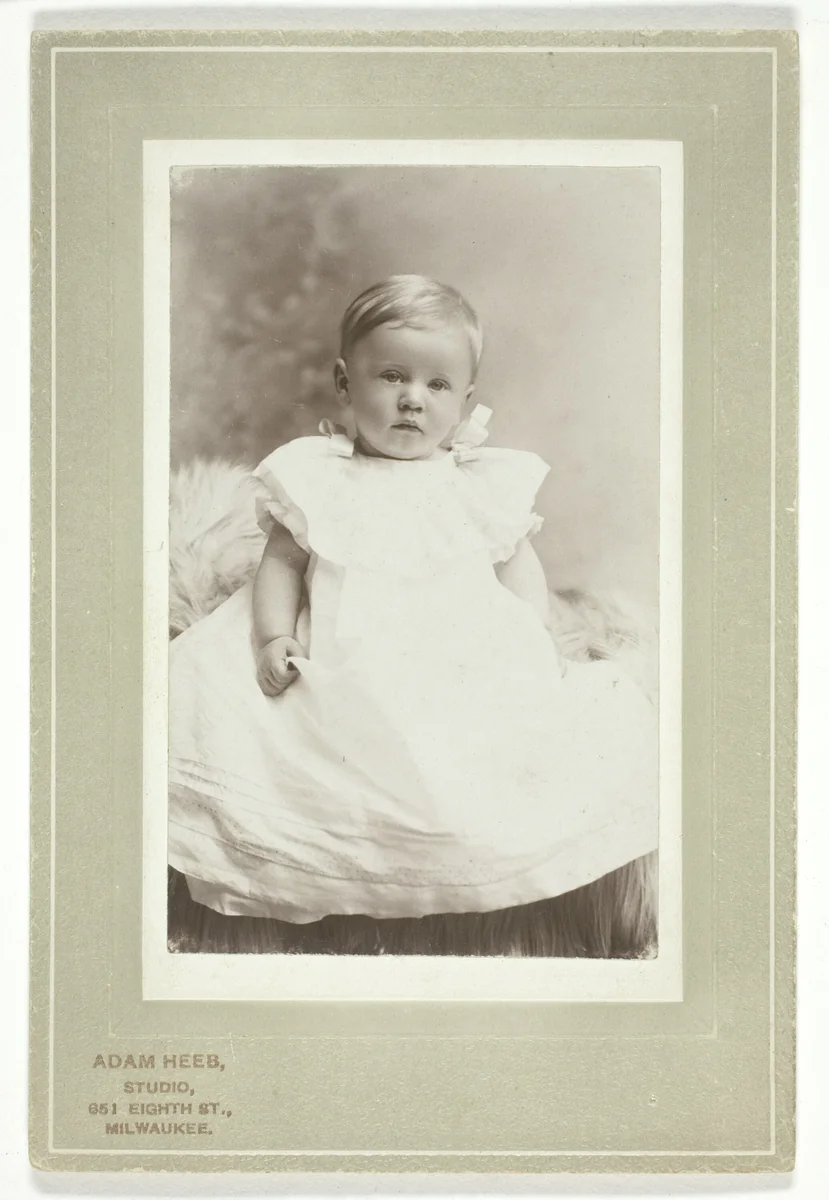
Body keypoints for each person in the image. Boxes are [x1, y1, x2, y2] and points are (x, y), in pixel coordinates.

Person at [168, 274, 658, 924]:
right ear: (345, 383)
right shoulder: (320, 475)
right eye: (391, 377)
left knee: (481, 751)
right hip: (346, 644)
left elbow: (518, 569)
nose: (411, 401)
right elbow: (280, 565)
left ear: (464, 399)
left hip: (455, 645)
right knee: (240, 708)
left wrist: (536, 639)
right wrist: (272, 636)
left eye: (436, 385)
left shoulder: (477, 485)